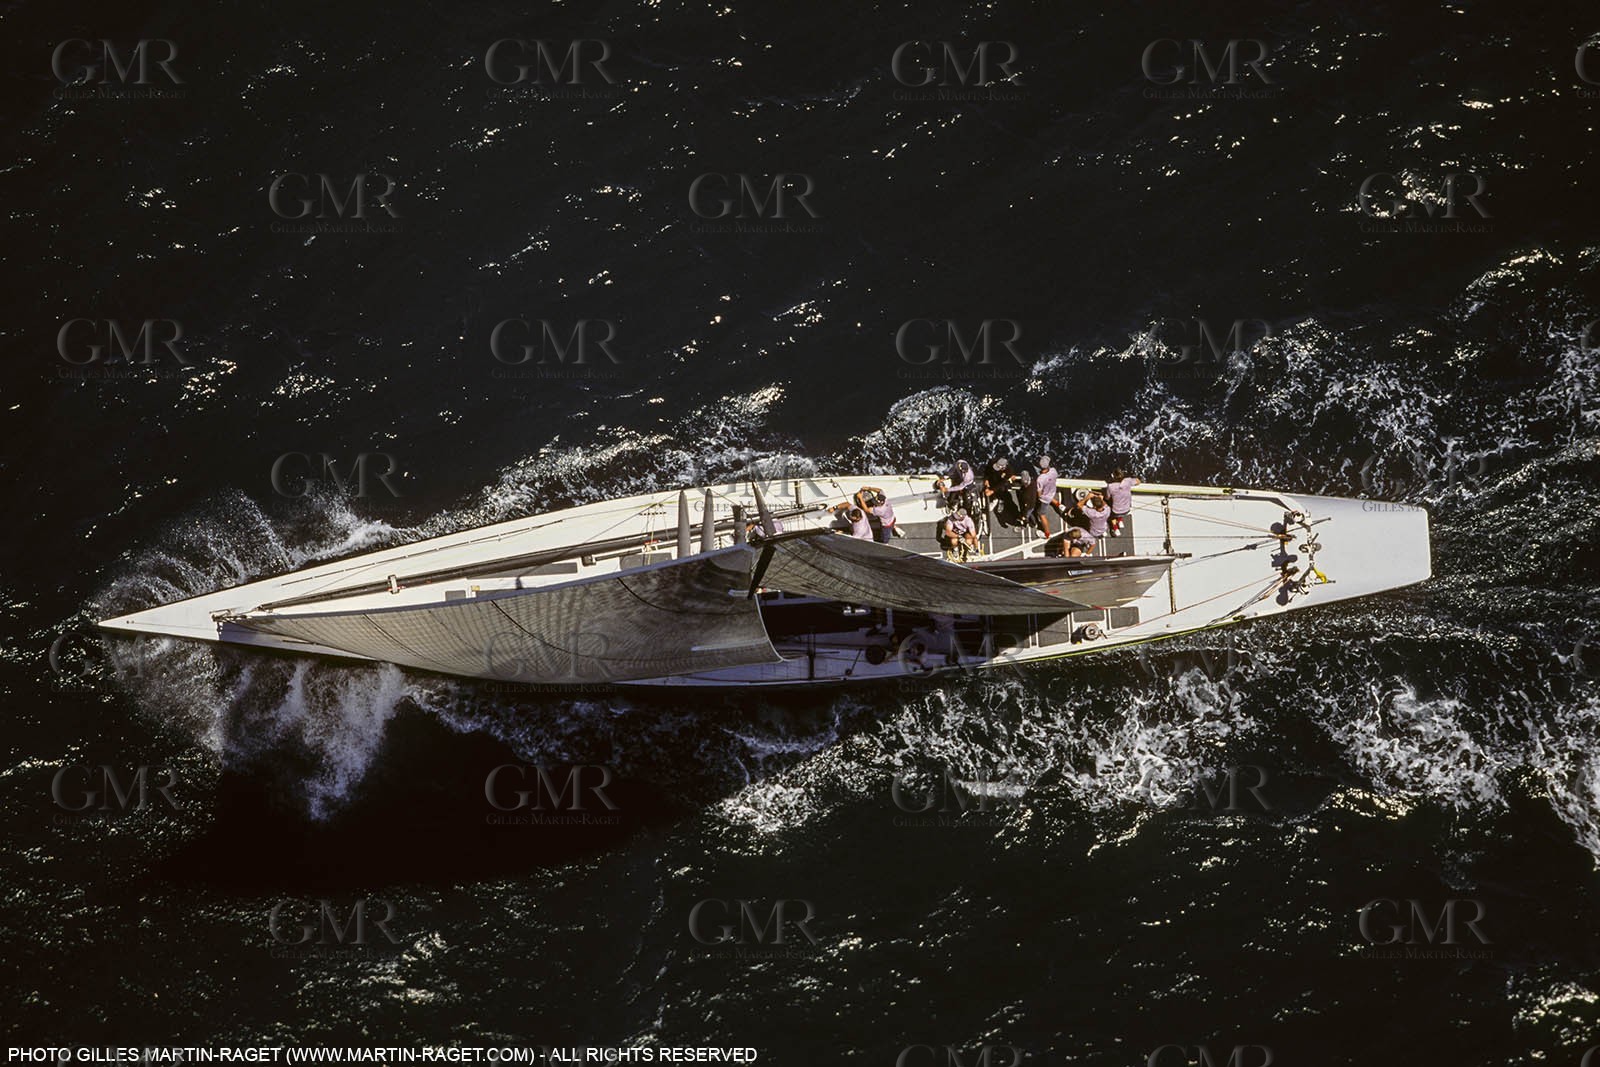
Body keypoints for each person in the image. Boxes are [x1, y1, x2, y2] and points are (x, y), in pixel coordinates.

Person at [982, 456, 1020, 527]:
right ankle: (994, 499)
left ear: (1003, 467)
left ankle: (1017, 516)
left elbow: (1002, 483)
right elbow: (987, 471)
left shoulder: (1009, 471)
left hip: (1001, 485)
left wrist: (992, 491)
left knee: (1006, 497)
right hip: (992, 480)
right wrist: (986, 480)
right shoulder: (992, 462)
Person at [1016, 468, 1052, 536]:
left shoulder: (1026, 495)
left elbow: (1026, 507)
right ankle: (1033, 522)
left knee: (1027, 515)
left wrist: (1023, 515)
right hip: (1034, 503)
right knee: (1032, 513)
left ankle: (1028, 524)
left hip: (1029, 506)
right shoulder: (1034, 483)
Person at [1105, 468, 1141, 536]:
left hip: (1116, 511)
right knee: (1120, 508)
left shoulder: (1110, 486)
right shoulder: (1128, 481)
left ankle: (1115, 529)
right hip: (1126, 510)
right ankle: (1120, 521)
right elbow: (1138, 481)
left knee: (1112, 516)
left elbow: (1107, 497)